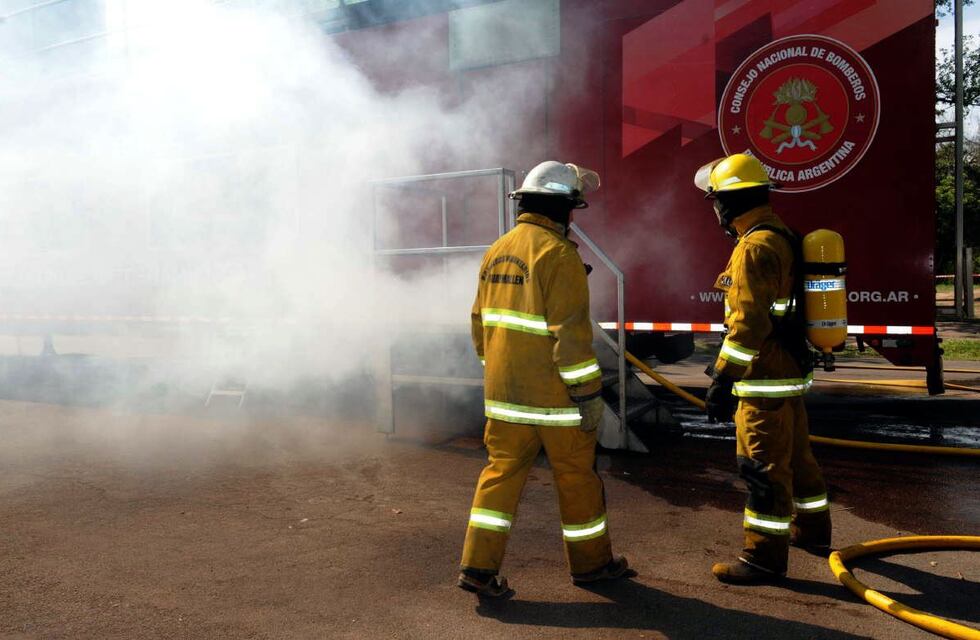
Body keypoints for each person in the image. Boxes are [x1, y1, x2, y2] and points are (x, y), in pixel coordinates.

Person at [457, 160, 632, 597]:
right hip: (557, 402)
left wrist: (495, 372)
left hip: (503, 398)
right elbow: (570, 336)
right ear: (563, 208)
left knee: (499, 477)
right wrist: (589, 393)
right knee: (577, 479)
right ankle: (592, 567)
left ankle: (478, 569)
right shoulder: (559, 255)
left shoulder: (497, 249)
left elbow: (480, 323)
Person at [693, 153, 832, 584]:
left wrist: (722, 378)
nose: (713, 208)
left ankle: (763, 556)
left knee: (762, 467)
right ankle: (812, 531)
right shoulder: (781, 234)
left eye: (715, 199)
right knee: (798, 458)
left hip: (763, 379)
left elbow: (748, 325)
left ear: (729, 201)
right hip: (788, 372)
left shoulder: (753, 247)